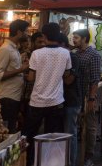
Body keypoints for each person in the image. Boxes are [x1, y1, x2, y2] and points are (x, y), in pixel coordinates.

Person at [23, 23, 74, 164]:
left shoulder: (36, 54)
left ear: (44, 36)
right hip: (56, 102)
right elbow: (67, 75)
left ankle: (29, 162)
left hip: (37, 102)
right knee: (53, 137)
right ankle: (51, 162)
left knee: (29, 136)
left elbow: (31, 78)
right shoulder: (65, 53)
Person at [0, 19, 30, 133]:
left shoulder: (14, 49)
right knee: (6, 132)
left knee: (11, 130)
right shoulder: (5, 49)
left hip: (14, 97)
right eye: (26, 31)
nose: (27, 34)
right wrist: (20, 70)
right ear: (19, 32)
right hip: (6, 98)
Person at [72, 29, 102, 166]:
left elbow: (95, 79)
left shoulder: (93, 55)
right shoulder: (75, 54)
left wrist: (91, 98)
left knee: (90, 127)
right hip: (76, 95)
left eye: (76, 37)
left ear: (84, 39)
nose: (74, 40)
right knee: (77, 125)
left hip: (88, 96)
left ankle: (89, 156)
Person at [58, 34, 81, 166]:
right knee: (62, 133)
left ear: (61, 44)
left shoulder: (72, 57)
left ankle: (71, 162)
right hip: (60, 101)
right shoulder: (63, 57)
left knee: (70, 133)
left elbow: (69, 80)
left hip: (71, 101)